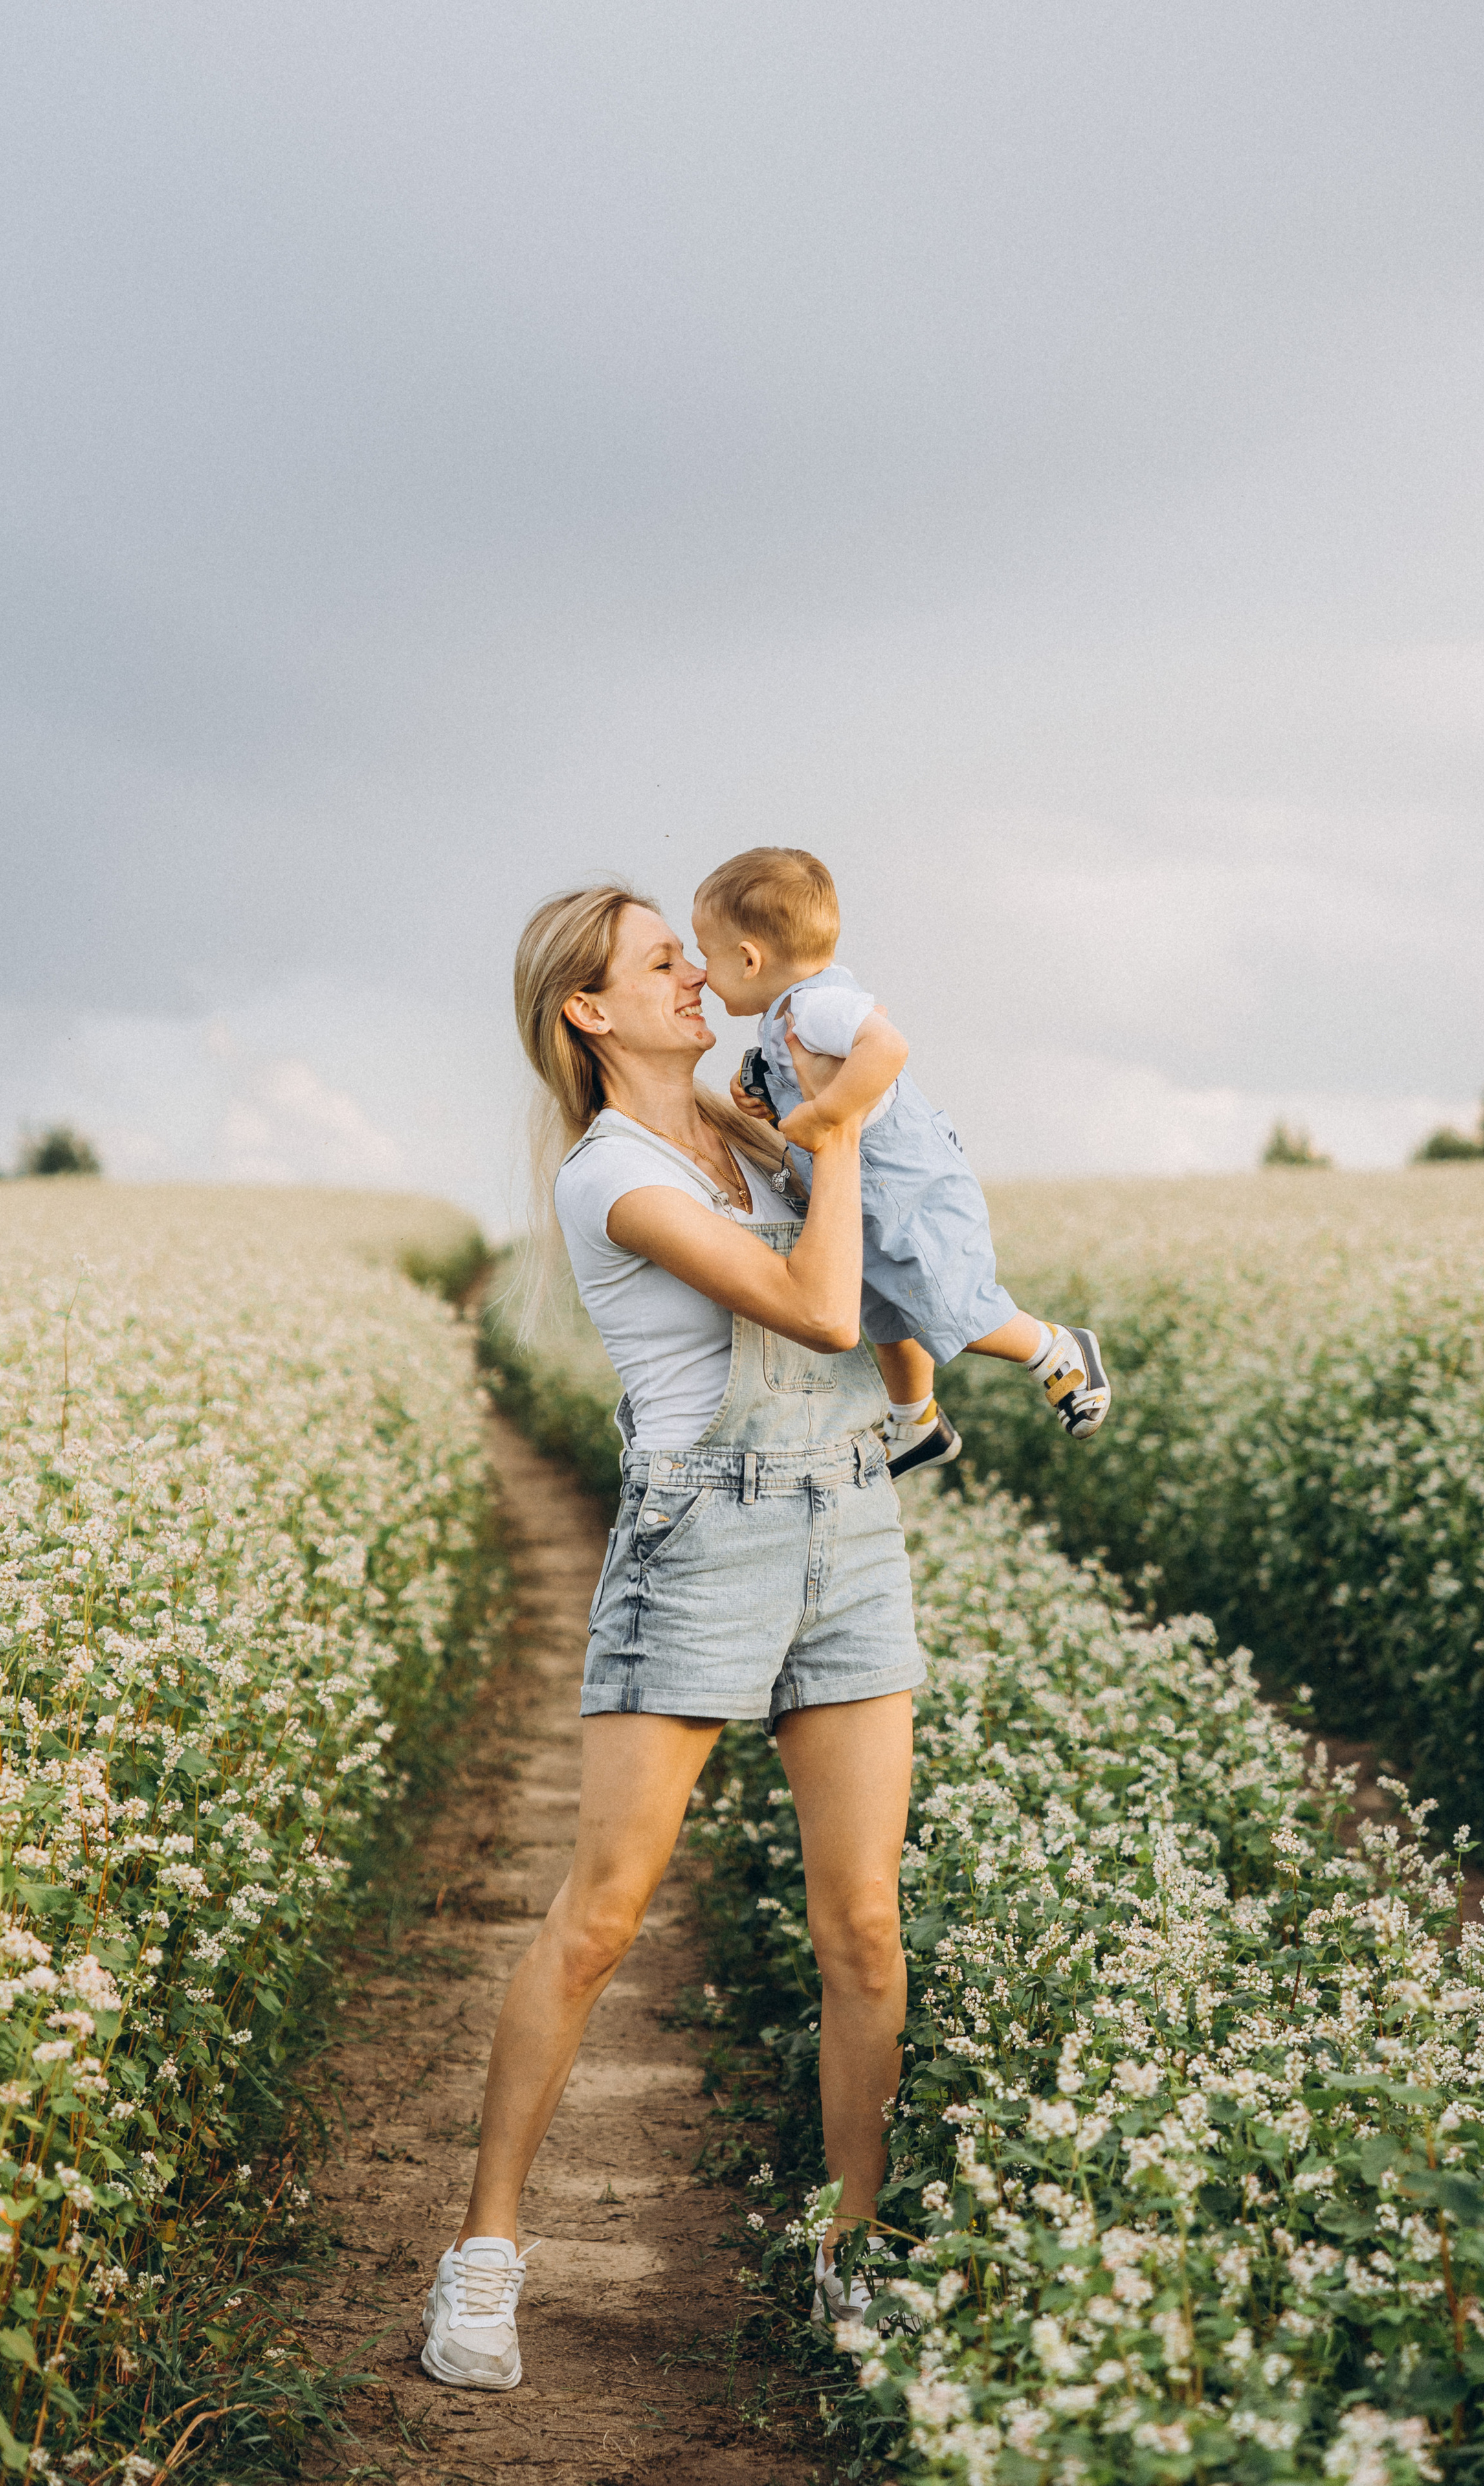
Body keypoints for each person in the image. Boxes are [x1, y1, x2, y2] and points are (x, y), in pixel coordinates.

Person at [421, 882, 922, 2393]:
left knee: (864, 1929)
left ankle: (852, 2251)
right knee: (598, 1916)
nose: (700, 975)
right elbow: (818, 1305)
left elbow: (893, 1271)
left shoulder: (740, 1120)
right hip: (699, 1544)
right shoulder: (611, 1176)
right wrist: (839, 1129)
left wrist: (837, 1118)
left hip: (848, 1529)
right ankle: (484, 2256)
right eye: (662, 962)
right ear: (590, 1010)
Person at [691, 845, 1111, 1472]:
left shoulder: (817, 1006)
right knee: (886, 1307)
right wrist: (764, 1088)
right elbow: (811, 1079)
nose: (701, 974)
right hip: (866, 1193)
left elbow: (887, 1047)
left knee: (951, 1302)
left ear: (749, 959)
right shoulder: (788, 1015)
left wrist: (828, 1114)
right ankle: (916, 1421)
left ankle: (1056, 1348)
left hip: (904, 1187)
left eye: (707, 956)